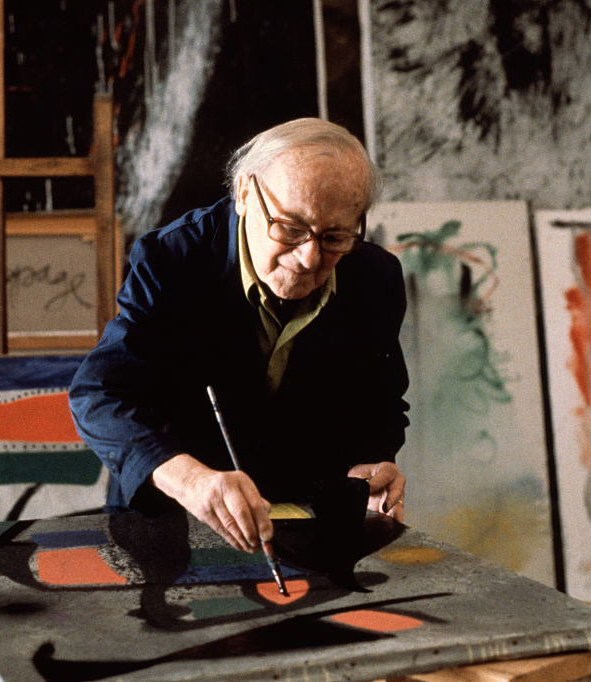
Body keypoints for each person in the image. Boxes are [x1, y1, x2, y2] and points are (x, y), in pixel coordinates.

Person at [69, 118, 408, 554]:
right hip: (173, 520)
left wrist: (374, 461)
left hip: (308, 527)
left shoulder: (374, 278)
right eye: (290, 228)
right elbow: (99, 395)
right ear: (245, 193)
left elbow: (382, 403)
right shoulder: (173, 260)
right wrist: (192, 480)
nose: (308, 258)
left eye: (335, 236)